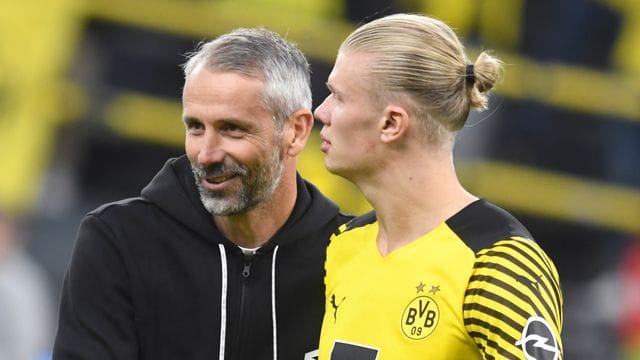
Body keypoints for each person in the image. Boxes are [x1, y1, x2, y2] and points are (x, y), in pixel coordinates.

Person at [53, 27, 351, 360]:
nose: (206, 154)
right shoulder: (118, 239)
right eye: (195, 127)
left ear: (296, 132)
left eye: (232, 129)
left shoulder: (352, 254)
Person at [314, 13, 563, 360]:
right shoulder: (344, 245)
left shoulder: (497, 262)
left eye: (338, 97)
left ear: (391, 123)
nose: (320, 112)